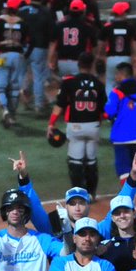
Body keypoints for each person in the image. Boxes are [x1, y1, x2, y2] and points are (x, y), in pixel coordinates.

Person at [49, 51, 107, 196]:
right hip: (93, 126)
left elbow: (59, 105)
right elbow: (104, 109)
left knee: (75, 162)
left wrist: (51, 124)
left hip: (75, 127)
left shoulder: (69, 81)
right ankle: (92, 194)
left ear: (78, 64)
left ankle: (78, 194)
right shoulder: (98, 83)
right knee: (91, 162)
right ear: (91, 64)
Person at [105, 62, 136, 181]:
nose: (116, 77)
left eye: (117, 74)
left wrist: (111, 118)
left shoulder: (117, 92)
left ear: (122, 74)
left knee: (123, 170)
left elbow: (109, 112)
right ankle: (133, 193)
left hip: (121, 137)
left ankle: (129, 196)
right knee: (134, 168)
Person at [0, 0, 27, 128]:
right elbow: (28, 40)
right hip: (17, 56)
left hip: (2, 56)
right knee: (15, 87)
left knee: (0, 87)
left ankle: (5, 110)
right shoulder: (22, 22)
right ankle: (12, 115)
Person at [20, 0, 55, 115]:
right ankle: (39, 105)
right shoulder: (46, 12)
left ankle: (23, 100)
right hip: (39, 48)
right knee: (38, 78)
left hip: (23, 47)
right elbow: (52, 36)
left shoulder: (22, 11)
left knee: (22, 75)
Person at [50, 0, 97, 78]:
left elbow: (54, 44)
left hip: (62, 62)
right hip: (79, 63)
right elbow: (93, 47)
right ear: (82, 11)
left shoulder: (60, 25)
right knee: (78, 87)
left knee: (65, 87)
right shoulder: (87, 26)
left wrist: (52, 60)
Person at [99, 1, 136, 92]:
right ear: (123, 13)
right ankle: (124, 103)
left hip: (111, 58)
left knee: (110, 82)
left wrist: (99, 55)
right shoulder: (129, 27)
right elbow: (134, 42)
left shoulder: (108, 27)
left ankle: (110, 104)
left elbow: (101, 43)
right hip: (126, 58)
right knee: (126, 83)